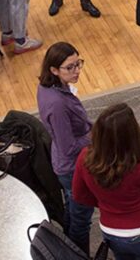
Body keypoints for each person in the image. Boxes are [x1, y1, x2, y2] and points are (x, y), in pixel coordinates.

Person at [73, 103, 140, 260]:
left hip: (111, 231)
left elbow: (79, 195)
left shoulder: (84, 157)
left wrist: (106, 204)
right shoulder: (136, 165)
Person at [37, 42, 93, 254]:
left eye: (78, 63)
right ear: (53, 69)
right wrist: (92, 136)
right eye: (70, 67)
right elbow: (68, 147)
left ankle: (66, 250)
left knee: (72, 209)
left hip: (65, 163)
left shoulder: (47, 86)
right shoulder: (58, 104)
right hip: (72, 167)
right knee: (81, 220)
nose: (77, 70)